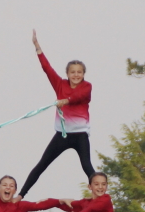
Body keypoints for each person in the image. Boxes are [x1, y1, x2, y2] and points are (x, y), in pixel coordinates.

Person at [18, 30, 94, 200]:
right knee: (42, 164)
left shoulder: (87, 86)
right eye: (73, 72)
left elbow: (78, 97)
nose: (76, 75)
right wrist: (37, 46)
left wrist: (65, 100)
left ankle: (99, 195)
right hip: (62, 135)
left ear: (83, 74)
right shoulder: (60, 84)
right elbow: (47, 68)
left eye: (79, 72)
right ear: (67, 74)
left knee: (87, 165)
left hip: (80, 135)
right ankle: (21, 195)